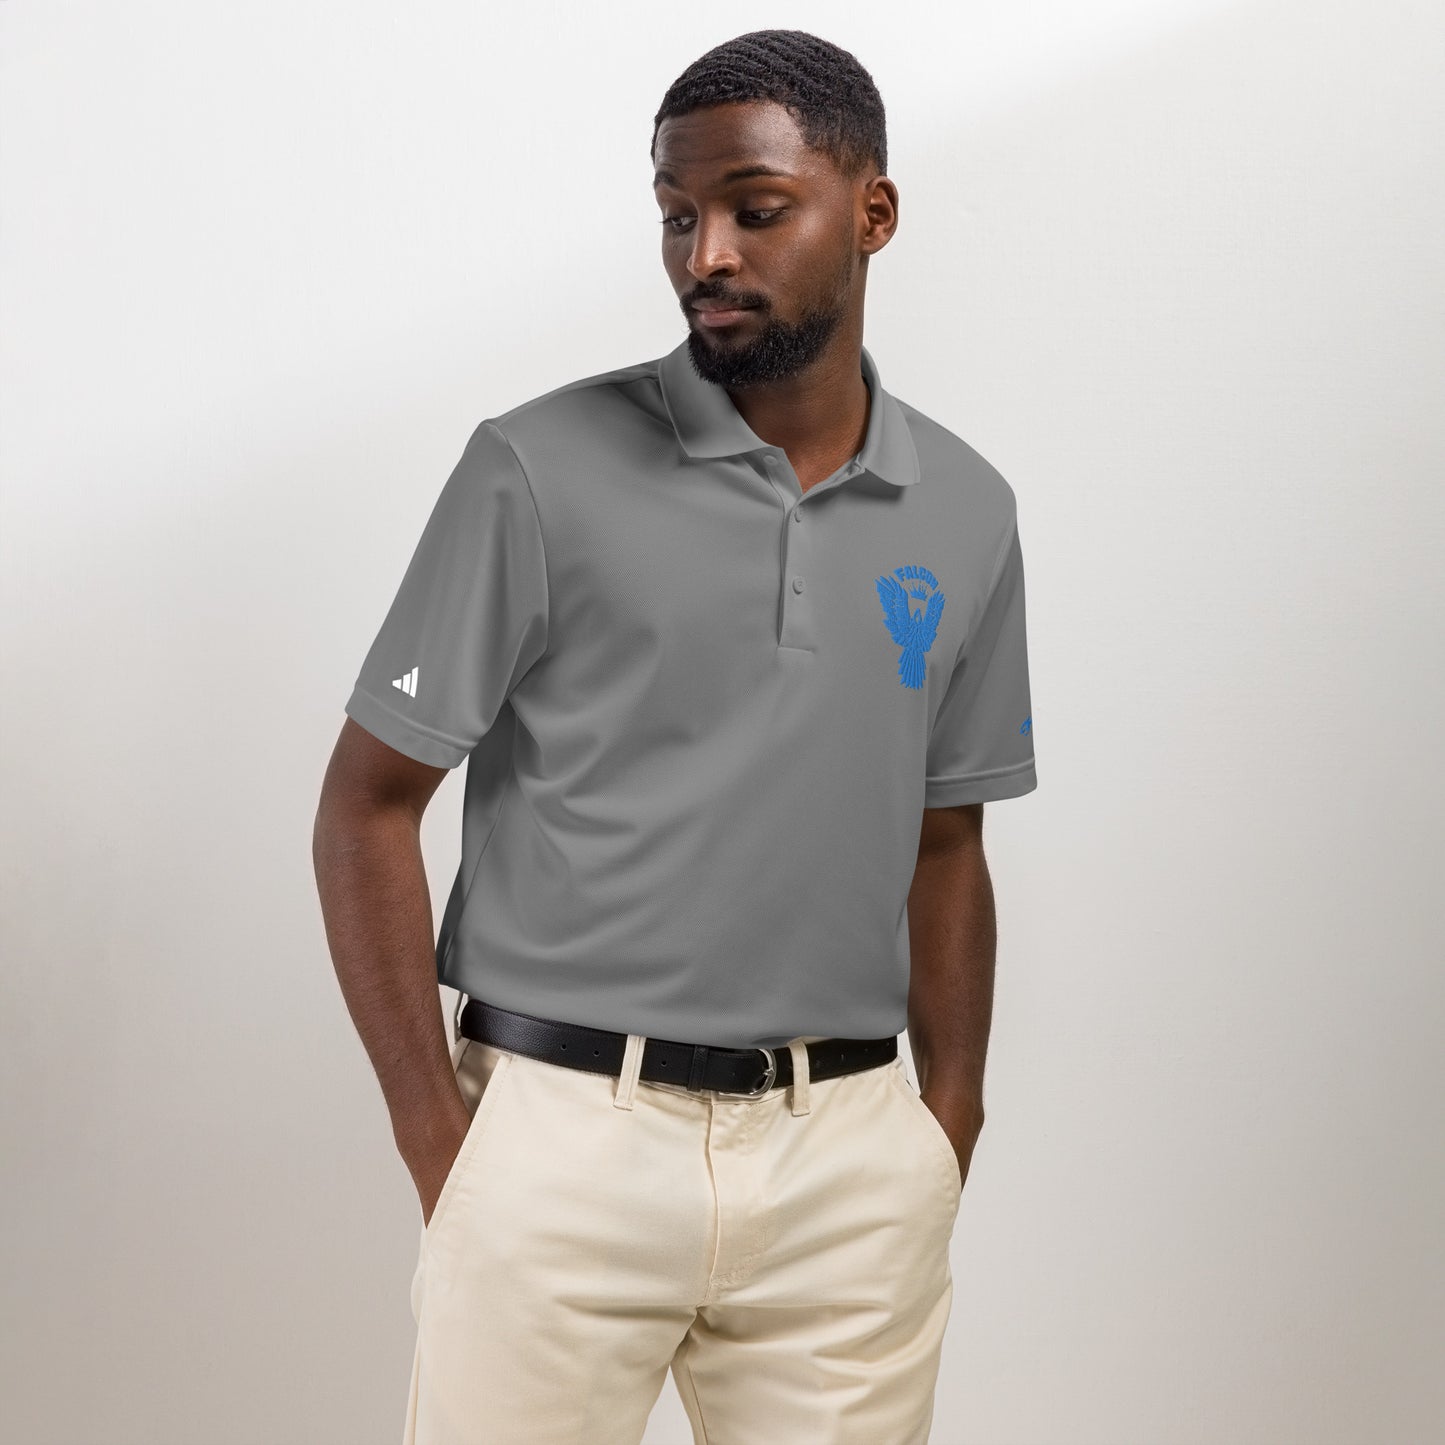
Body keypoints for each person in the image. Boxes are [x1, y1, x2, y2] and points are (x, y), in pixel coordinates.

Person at [313, 27, 1038, 1445]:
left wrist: (945, 1122)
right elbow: (367, 803)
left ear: (872, 212)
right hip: (560, 1143)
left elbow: (948, 838)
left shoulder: (966, 508)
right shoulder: (535, 468)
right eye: (675, 214)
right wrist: (439, 1141)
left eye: (755, 210)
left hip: (846, 1165)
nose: (706, 252)